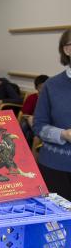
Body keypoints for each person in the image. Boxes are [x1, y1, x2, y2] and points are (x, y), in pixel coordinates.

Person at [33, 28, 71, 200]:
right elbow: (38, 126)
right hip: (56, 168)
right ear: (67, 50)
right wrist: (63, 134)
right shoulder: (51, 85)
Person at [20, 74, 49, 147]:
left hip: (46, 122)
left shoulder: (51, 99)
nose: (43, 90)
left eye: (45, 87)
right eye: (40, 87)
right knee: (24, 124)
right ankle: (21, 146)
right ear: (36, 88)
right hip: (32, 120)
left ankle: (38, 138)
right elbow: (25, 114)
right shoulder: (31, 98)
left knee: (31, 132)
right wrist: (32, 118)